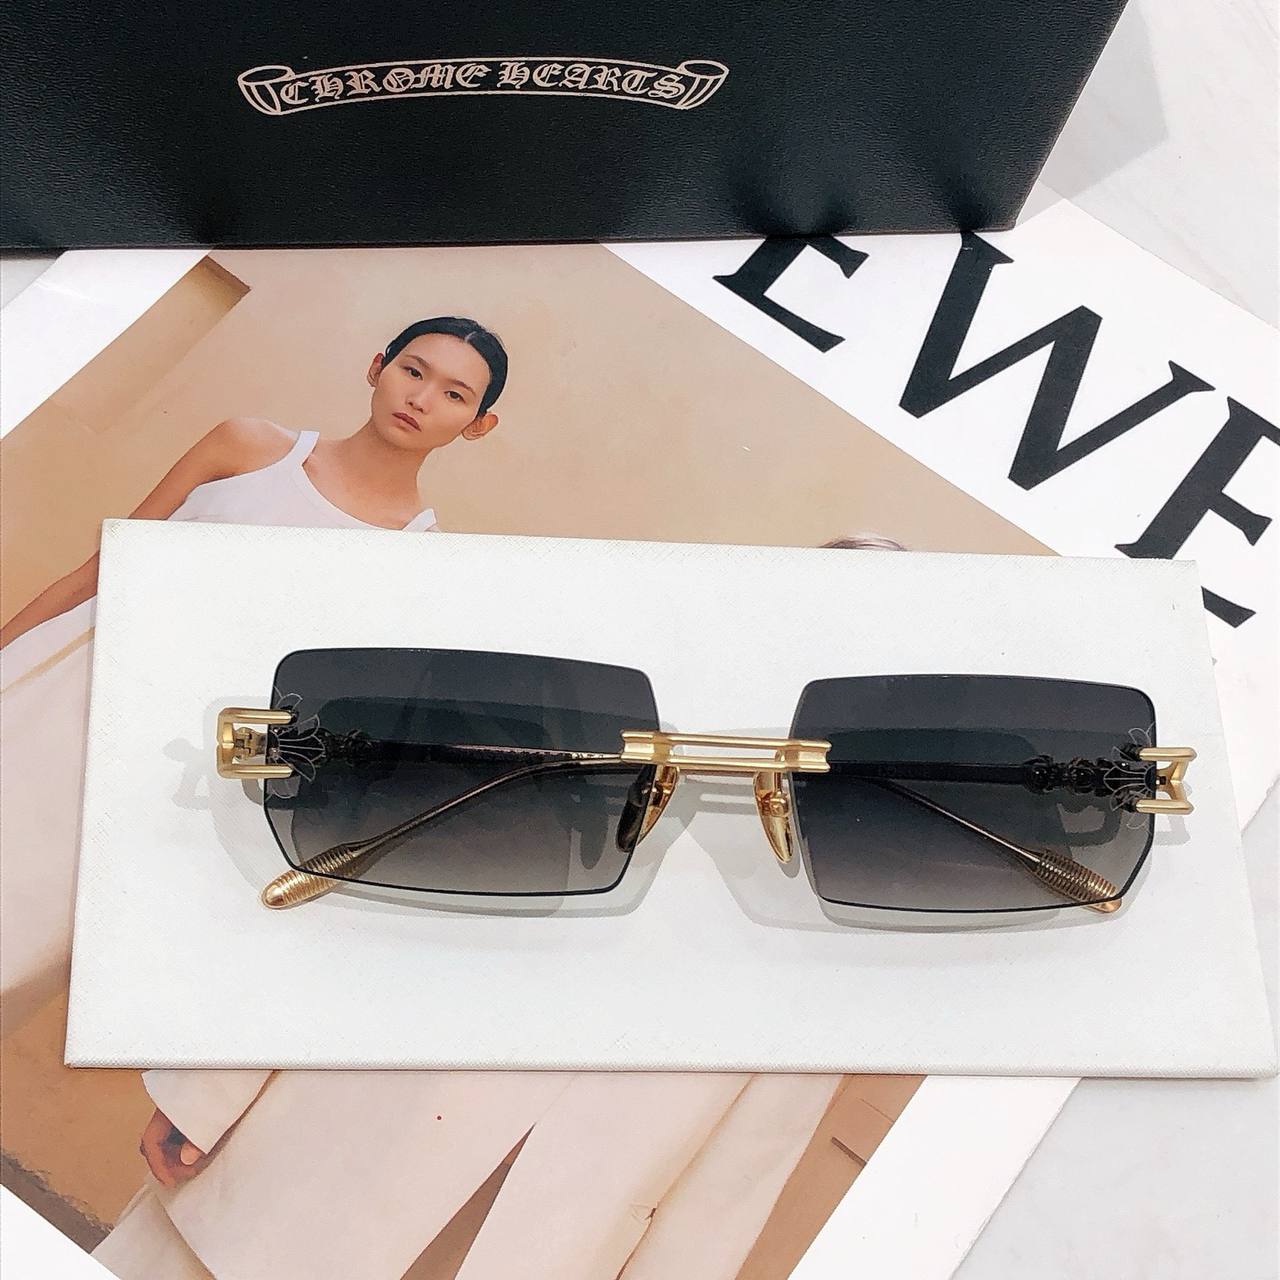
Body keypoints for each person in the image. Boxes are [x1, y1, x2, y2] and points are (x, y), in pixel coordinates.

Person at [86, 534, 909, 1280]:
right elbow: (370, 900)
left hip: (546, 1238)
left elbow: (749, 1158)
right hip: (328, 1150)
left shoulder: (872, 884)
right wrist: (211, 1088)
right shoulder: (584, 727)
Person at [0, 316, 506, 1029]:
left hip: (158, 757)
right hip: (57, 681)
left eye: (454, 395)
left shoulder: (417, 558)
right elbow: (96, 572)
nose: (421, 399)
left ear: (477, 426)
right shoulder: (246, 446)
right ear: (377, 366)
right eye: (413, 371)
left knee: (25, 924)